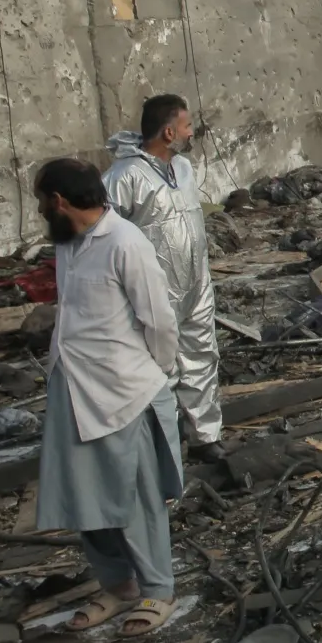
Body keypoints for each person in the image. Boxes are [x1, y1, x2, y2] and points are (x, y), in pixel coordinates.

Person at [33, 158, 182, 639]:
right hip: (72, 385)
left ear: (58, 201)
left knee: (135, 497)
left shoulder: (125, 242)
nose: (41, 213)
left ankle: (157, 589)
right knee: (83, 500)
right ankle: (118, 585)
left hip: (121, 391)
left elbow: (159, 320)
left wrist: (152, 372)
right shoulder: (68, 245)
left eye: (41, 203)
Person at [104, 93, 221, 461]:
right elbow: (105, 238)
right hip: (154, 287)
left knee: (202, 353)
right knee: (160, 364)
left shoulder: (182, 169)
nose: (191, 132)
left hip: (196, 281)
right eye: (187, 125)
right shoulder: (123, 177)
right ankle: (164, 446)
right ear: (169, 131)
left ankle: (206, 436)